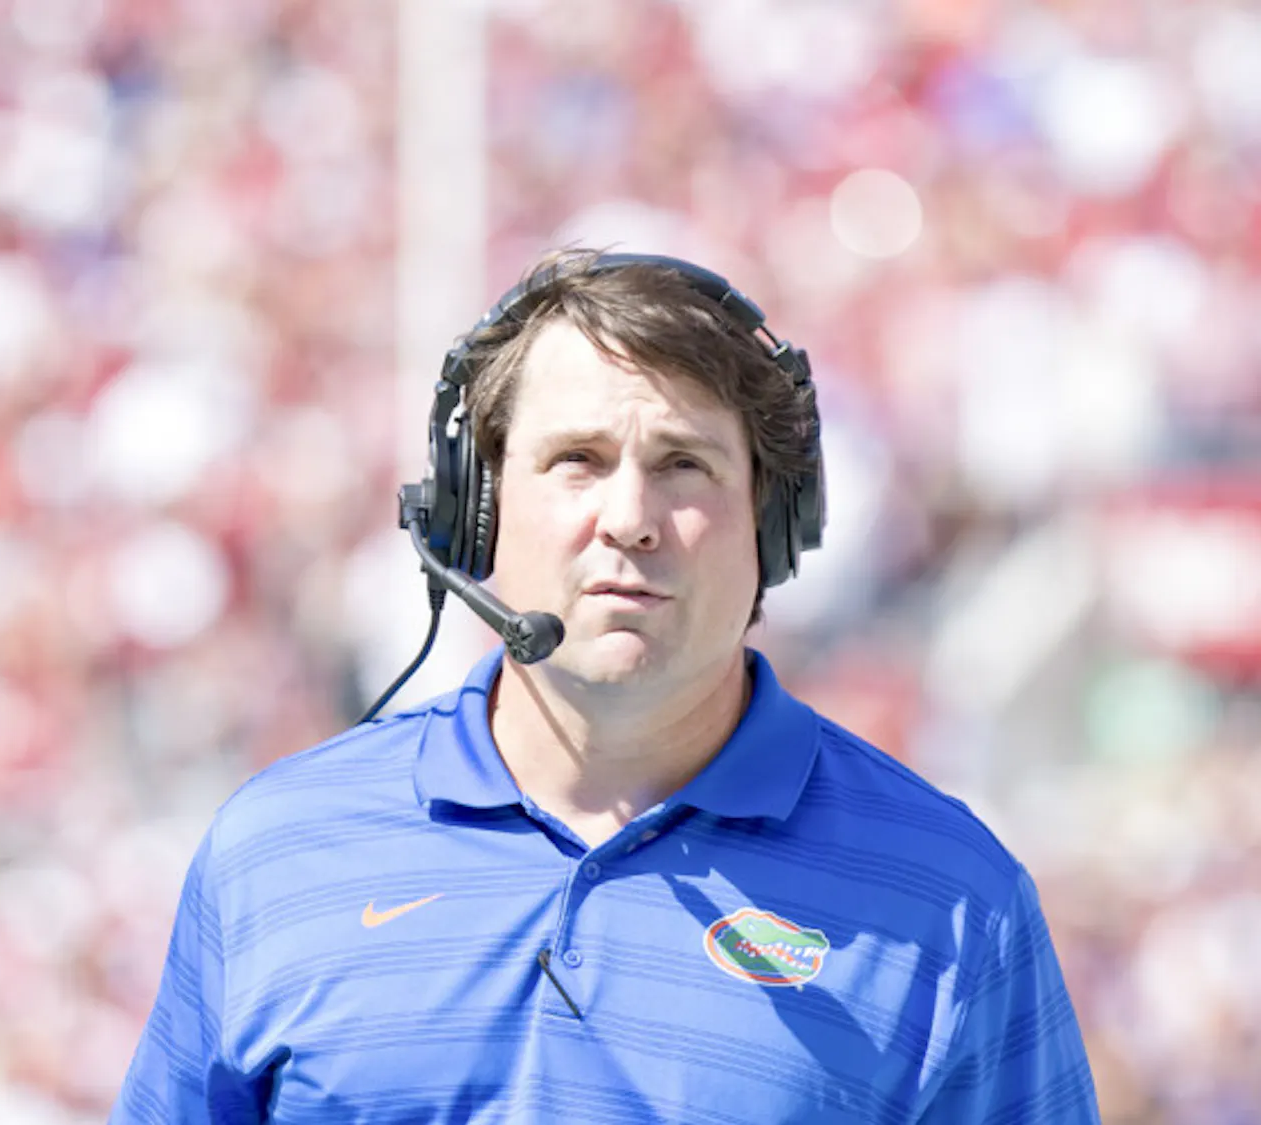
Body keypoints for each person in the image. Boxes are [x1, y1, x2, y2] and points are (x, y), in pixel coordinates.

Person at [109, 250, 1100, 1123]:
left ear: (775, 525)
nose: (629, 517)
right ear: (478, 513)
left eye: (684, 465)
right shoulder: (276, 852)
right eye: (576, 460)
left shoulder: (954, 899)